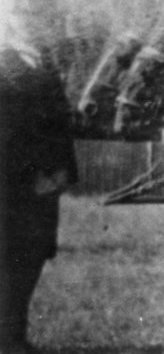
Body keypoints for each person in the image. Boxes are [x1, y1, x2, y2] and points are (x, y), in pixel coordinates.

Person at [1, 43, 78, 353]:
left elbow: (61, 125)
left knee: (32, 255)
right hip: (11, 183)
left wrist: (63, 171)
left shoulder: (46, 65)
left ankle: (14, 336)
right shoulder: (5, 63)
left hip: (43, 184)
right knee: (8, 255)